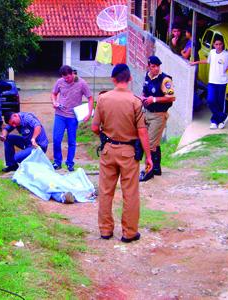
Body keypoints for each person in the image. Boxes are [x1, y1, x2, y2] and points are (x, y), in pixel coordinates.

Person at [91, 64, 153, 243]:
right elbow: (142, 132)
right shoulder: (135, 101)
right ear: (130, 79)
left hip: (108, 150)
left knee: (105, 191)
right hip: (129, 152)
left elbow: (95, 127)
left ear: (113, 79)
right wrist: (148, 156)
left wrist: (104, 137)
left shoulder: (103, 99)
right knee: (130, 193)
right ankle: (129, 232)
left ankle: (105, 230)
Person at [190, 35, 228, 129]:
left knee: (220, 102)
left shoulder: (227, 55)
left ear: (223, 44)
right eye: (216, 44)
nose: (218, 46)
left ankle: (217, 121)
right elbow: (208, 61)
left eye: (220, 44)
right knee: (210, 100)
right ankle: (223, 117)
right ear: (213, 45)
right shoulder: (212, 52)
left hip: (222, 82)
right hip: (212, 81)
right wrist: (196, 62)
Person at [139, 56, 176, 182]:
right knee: (153, 143)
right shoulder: (147, 76)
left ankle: (148, 170)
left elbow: (171, 97)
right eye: (153, 66)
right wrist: (143, 98)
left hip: (159, 114)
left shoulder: (165, 79)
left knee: (149, 144)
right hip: (148, 113)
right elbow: (144, 92)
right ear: (149, 66)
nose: (155, 69)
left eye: (157, 66)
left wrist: (153, 99)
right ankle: (156, 168)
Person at [51, 65, 93, 172]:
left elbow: (90, 98)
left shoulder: (82, 83)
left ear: (72, 74)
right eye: (64, 78)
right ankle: (57, 162)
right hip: (60, 114)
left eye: (68, 78)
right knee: (56, 139)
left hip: (72, 117)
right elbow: (54, 93)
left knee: (71, 141)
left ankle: (70, 163)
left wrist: (88, 113)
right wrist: (54, 102)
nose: (66, 80)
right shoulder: (59, 82)